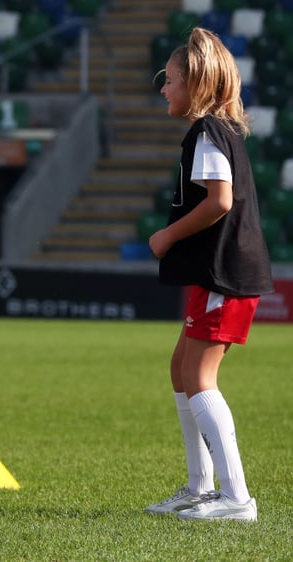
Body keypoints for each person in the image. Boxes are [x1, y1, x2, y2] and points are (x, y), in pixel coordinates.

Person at [144, 27, 272, 522]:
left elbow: (220, 201)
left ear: (195, 82)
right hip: (217, 272)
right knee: (182, 367)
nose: (164, 88)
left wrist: (169, 235)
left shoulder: (206, 132)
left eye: (170, 79)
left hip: (225, 272)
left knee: (199, 376)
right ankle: (201, 487)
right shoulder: (216, 131)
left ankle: (236, 498)